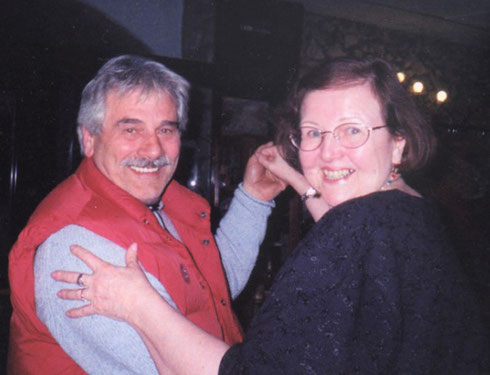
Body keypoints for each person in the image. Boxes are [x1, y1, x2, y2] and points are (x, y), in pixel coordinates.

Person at [53, 57, 488, 374]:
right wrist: (270, 190)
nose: (328, 150)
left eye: (166, 129)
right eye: (314, 133)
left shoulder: (358, 228)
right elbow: (349, 230)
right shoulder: (411, 212)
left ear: (397, 142)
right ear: (87, 139)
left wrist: (138, 304)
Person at [7, 55, 287, 374]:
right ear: (89, 139)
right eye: (131, 129)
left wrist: (254, 198)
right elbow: (178, 367)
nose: (154, 150)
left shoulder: (159, 204)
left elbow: (210, 290)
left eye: (166, 130)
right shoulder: (73, 247)